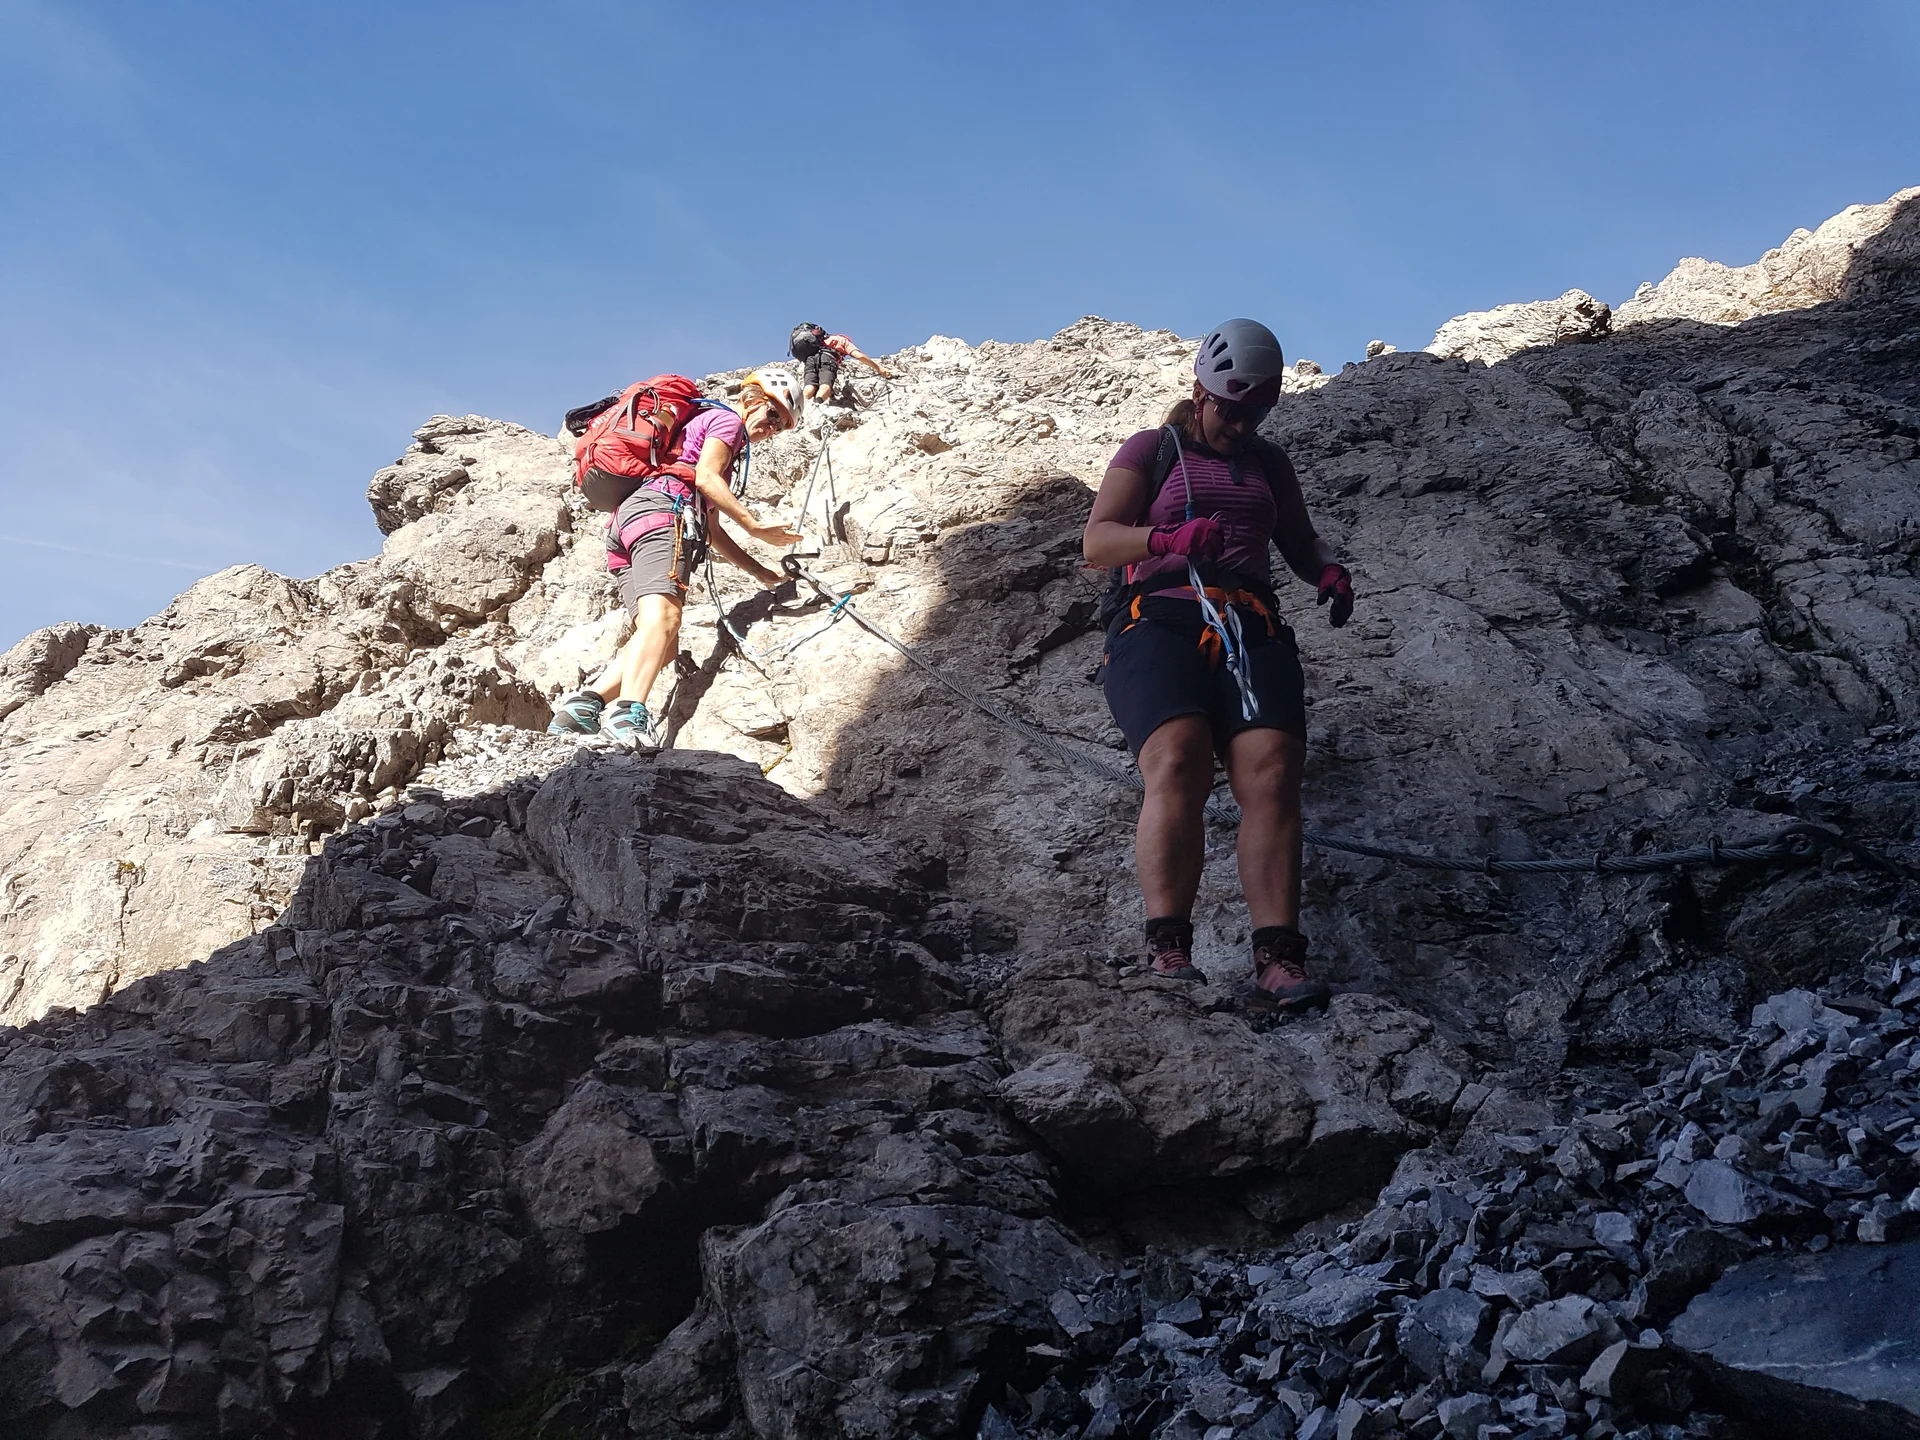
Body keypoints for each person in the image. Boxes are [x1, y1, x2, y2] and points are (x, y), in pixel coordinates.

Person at [1082, 319, 1355, 1015]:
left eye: (1256, 413)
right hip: (1159, 618)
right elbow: (1099, 541)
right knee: (1178, 759)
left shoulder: (1268, 462)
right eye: (1232, 409)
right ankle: (1167, 946)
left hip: (1249, 622)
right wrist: (1164, 539)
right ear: (1201, 393)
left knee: (1272, 773)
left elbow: (1299, 541)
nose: (1241, 425)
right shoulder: (1153, 449)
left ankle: (1278, 961)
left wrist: (1326, 571)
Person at [548, 368, 806, 746]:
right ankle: (628, 717)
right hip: (663, 515)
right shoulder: (728, 422)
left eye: (781, 426)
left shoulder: (700, 428)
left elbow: (712, 530)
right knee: (665, 619)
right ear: (752, 399)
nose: (772, 428)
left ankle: (583, 707)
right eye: (773, 415)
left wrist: (760, 572)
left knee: (663, 644)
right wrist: (754, 526)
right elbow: (706, 479)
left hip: (627, 525)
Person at [788, 322, 895, 404]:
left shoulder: (821, 340)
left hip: (810, 360)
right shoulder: (841, 340)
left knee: (809, 387)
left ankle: (797, 407)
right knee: (825, 387)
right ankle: (818, 404)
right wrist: (879, 368)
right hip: (828, 358)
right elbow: (859, 356)